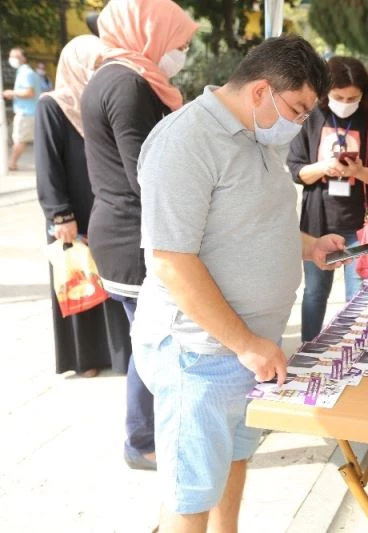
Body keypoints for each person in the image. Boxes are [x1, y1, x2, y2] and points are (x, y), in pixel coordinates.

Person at [134, 35, 339, 533]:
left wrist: (309, 246)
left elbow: (255, 223)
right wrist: (244, 343)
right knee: (190, 494)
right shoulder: (185, 141)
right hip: (200, 351)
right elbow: (171, 260)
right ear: (260, 90)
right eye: (297, 109)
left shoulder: (260, 135)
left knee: (232, 459)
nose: (299, 124)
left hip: (251, 349)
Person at [81, 0, 199, 471]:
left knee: (149, 341)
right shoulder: (127, 84)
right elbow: (144, 174)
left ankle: (152, 433)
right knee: (154, 344)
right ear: (149, 33)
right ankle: (142, 440)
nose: (182, 53)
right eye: (179, 43)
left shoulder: (115, 76)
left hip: (123, 229)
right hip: (133, 236)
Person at [35, 35, 132, 379]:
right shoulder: (52, 105)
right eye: (94, 66)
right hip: (72, 210)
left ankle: (119, 355)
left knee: (109, 280)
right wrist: (59, 214)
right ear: (76, 66)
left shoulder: (101, 101)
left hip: (105, 205)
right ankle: (85, 357)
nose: (98, 73)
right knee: (78, 279)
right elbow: (47, 164)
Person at [288, 56, 368, 341]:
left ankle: (354, 351)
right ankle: (309, 349)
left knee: (358, 297)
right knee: (314, 293)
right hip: (317, 224)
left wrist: (359, 172)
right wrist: (324, 167)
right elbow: (297, 170)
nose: (346, 103)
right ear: (325, 91)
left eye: (353, 98)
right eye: (338, 97)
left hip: (362, 225)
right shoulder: (311, 116)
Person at [3, 47, 41, 171]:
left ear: (24, 58)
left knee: (20, 139)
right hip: (28, 112)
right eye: (11, 56)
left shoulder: (26, 73)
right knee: (21, 139)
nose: (12, 59)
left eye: (15, 56)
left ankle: (12, 164)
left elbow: (29, 93)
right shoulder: (24, 72)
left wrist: (12, 93)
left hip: (26, 113)